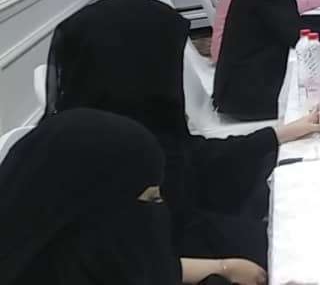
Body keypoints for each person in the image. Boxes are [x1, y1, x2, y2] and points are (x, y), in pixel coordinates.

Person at [41, 0, 320, 275]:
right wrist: (223, 267)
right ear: (136, 65)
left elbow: (197, 157)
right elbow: (125, 265)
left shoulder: (127, 116)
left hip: (187, 245)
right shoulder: (101, 158)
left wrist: (280, 134)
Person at [0, 109, 267, 285]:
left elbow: (137, 266)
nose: (159, 209)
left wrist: (223, 267)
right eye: (150, 200)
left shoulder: (65, 253)